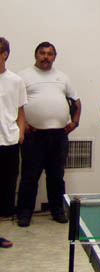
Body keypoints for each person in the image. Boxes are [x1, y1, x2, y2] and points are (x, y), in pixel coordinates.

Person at [16, 41, 81, 227]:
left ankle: (57, 210)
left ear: (54, 57)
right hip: (33, 136)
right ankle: (24, 213)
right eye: (42, 53)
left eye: (50, 54)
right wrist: (23, 124)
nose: (46, 57)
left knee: (56, 176)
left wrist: (74, 122)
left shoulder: (62, 77)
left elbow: (76, 101)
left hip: (59, 136)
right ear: (36, 55)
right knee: (29, 177)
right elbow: (15, 103)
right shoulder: (23, 76)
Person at [0, 38, 26, 247]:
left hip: (8, 141)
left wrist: (21, 133)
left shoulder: (15, 81)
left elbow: (20, 110)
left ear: (4, 54)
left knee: (5, 190)